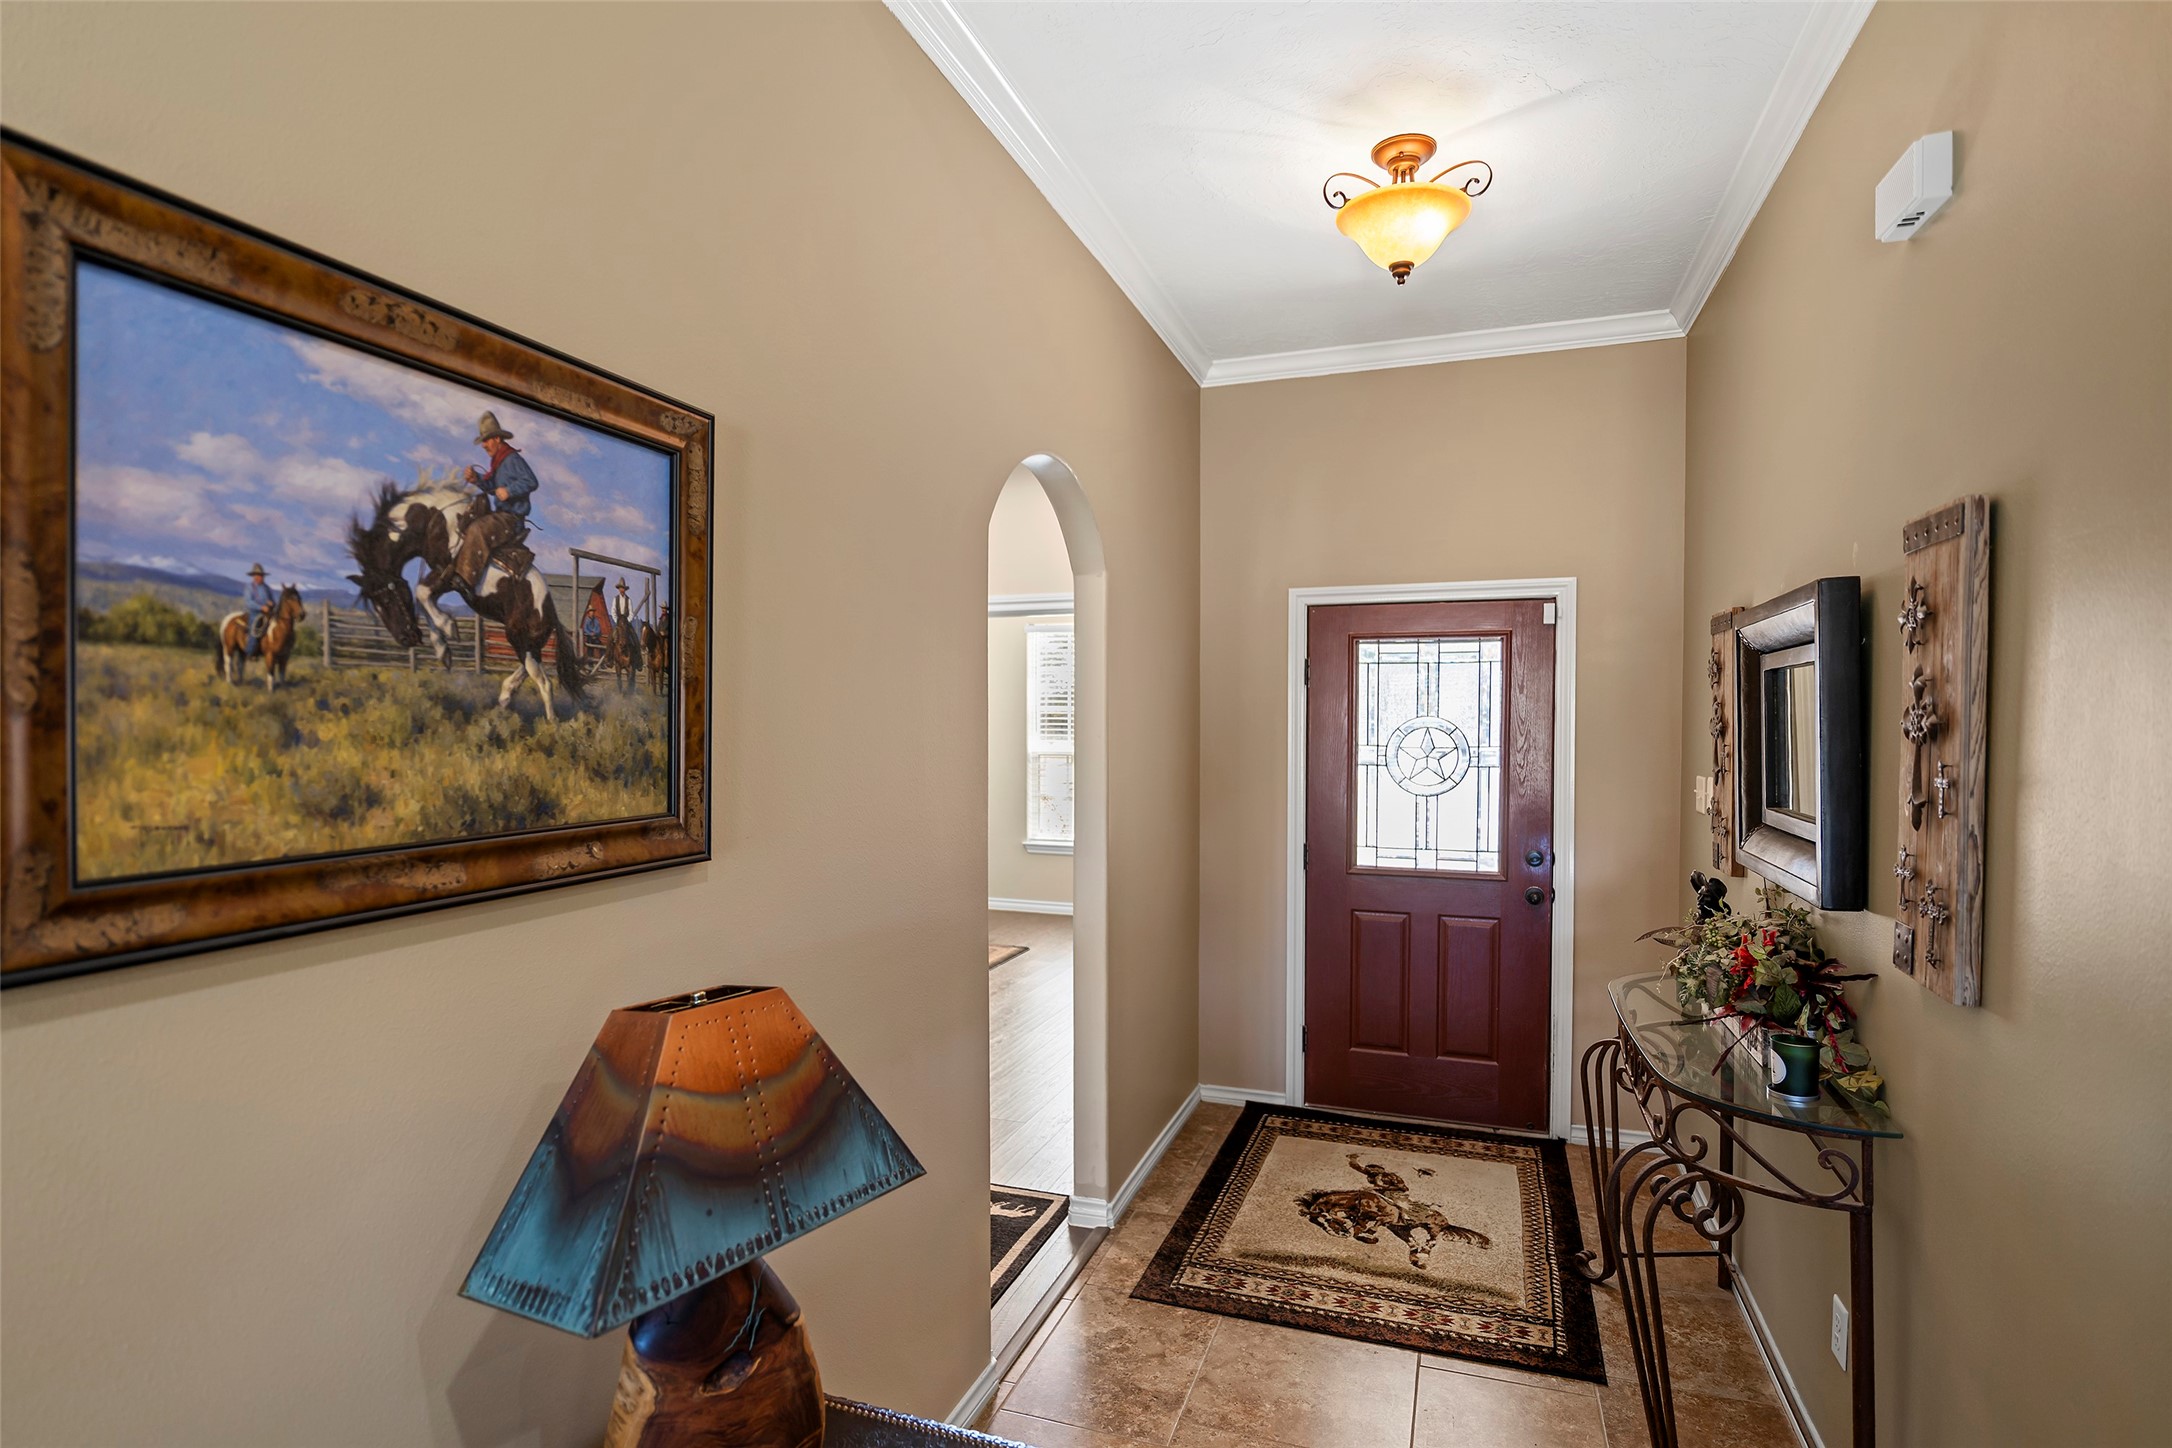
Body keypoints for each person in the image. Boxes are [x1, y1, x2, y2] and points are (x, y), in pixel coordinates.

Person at [443, 411, 539, 593]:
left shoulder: (511, 459)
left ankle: (466, 580)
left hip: (511, 519)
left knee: (477, 528)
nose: (484, 446)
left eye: (486, 441)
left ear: (496, 439)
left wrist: (509, 491)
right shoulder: (498, 462)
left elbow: (531, 481)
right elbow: (492, 487)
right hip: (502, 516)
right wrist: (476, 479)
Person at [242, 563, 275, 656]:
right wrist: (261, 607)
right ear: (254, 576)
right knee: (255, 628)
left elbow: (272, 600)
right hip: (255, 613)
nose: (260, 577)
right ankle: (249, 652)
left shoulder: (266, 588)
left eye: (261, 575)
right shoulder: (249, 587)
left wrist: (271, 603)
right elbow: (248, 602)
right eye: (258, 575)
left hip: (268, 612)